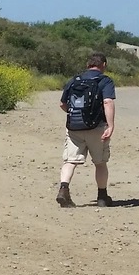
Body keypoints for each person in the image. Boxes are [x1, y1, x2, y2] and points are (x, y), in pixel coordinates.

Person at [56, 52, 116, 208]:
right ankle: (102, 197)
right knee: (100, 163)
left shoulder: (74, 80)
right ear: (103, 65)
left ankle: (63, 189)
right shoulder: (105, 81)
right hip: (97, 127)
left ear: (87, 65)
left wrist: (77, 115)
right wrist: (110, 125)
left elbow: (62, 104)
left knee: (70, 160)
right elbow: (108, 102)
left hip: (74, 127)